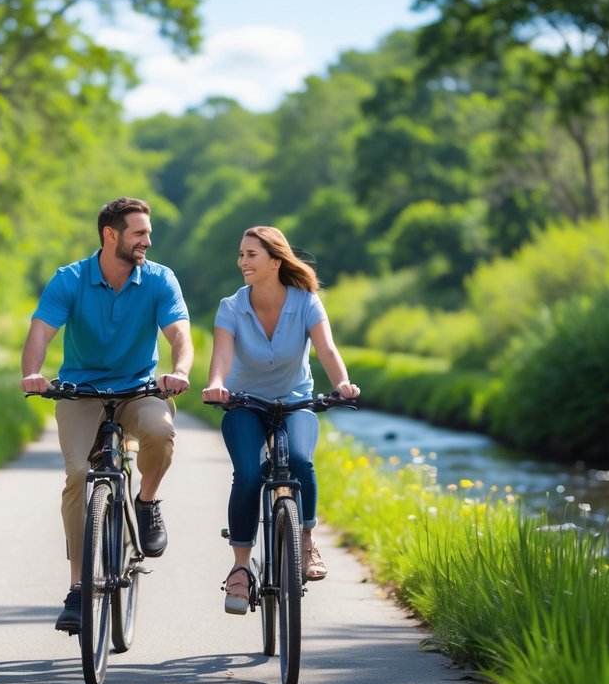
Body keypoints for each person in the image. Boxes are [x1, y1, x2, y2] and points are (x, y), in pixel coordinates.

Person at [21, 197, 193, 633]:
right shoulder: (71, 279)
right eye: (139, 233)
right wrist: (33, 373)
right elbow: (41, 331)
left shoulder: (159, 280)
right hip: (81, 392)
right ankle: (78, 589)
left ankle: (147, 500)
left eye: (148, 233)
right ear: (110, 235)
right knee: (79, 474)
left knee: (160, 431)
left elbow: (179, 334)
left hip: (139, 388)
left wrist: (180, 370)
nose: (147, 242)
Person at [201, 225, 361, 615]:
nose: (242, 262)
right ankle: (240, 569)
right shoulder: (231, 307)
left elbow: (326, 348)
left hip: (295, 401)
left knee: (303, 463)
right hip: (244, 402)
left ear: (276, 260)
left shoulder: (306, 302)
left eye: (250, 255)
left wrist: (341, 383)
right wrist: (216, 384)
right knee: (250, 475)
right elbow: (222, 355)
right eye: (240, 255)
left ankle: (306, 542)